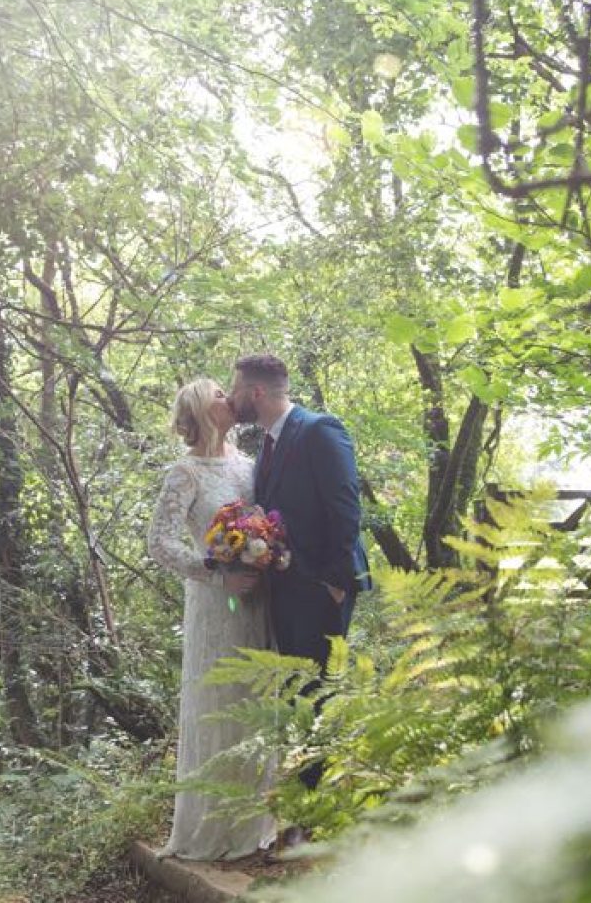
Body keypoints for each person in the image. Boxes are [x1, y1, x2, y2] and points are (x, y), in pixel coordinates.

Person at [228, 353, 372, 845]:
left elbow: (346, 507)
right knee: (296, 695)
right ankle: (300, 810)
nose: (232, 397)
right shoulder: (267, 445)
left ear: (257, 394)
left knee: (317, 697)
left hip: (320, 588)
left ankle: (310, 820)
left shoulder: (320, 430)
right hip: (285, 587)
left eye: (236, 389)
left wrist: (334, 579)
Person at [146, 378, 276, 861]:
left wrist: (265, 552)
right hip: (215, 603)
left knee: (256, 700)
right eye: (219, 395)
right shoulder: (185, 473)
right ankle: (213, 828)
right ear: (202, 411)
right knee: (218, 700)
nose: (229, 400)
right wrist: (216, 574)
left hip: (259, 602)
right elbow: (159, 542)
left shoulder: (248, 463)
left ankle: (254, 822)